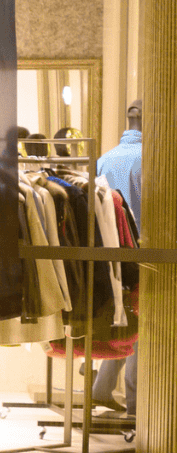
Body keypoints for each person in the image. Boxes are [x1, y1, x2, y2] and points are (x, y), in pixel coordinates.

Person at [93, 100, 142, 416]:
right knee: (144, 325)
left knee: (125, 318)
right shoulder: (152, 158)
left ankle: (102, 388)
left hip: (110, 251)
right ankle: (137, 404)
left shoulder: (104, 158)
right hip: (144, 251)